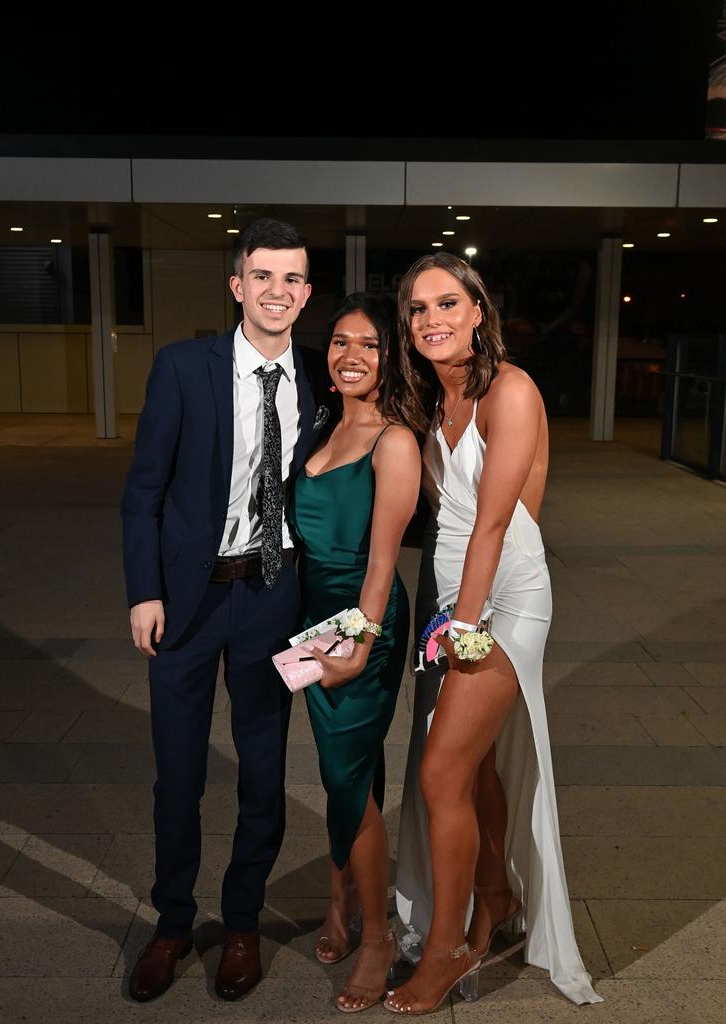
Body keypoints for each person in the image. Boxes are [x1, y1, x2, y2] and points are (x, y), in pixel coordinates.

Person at [386, 253, 602, 1013]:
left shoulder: (509, 391)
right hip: (452, 599)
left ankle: (445, 950)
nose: (434, 319)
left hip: (502, 599)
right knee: (473, 770)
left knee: (440, 773)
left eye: (449, 303)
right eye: (418, 309)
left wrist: (464, 631)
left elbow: (492, 525)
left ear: (480, 311)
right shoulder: (430, 399)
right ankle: (494, 901)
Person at [121, 218, 324, 1003]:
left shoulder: (320, 378)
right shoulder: (181, 369)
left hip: (274, 598)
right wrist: (144, 589)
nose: (278, 291)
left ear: (307, 293)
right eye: (263, 276)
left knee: (265, 775)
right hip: (186, 603)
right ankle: (173, 922)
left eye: (293, 279)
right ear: (237, 284)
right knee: (177, 777)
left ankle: (241, 921)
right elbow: (143, 491)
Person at [289, 293, 421, 1012]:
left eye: (368, 345)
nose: (350, 356)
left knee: (345, 775)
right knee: (346, 771)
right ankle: (338, 903)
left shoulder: (393, 440)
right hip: (313, 621)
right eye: (340, 342)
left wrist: (358, 642)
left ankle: (378, 938)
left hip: (363, 622)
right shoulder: (321, 429)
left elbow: (381, 562)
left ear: (390, 356)